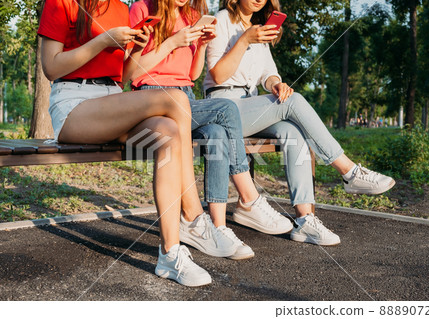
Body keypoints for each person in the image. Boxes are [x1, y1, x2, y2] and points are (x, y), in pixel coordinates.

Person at [38, 0, 216, 286]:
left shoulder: (121, 8)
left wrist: (135, 46)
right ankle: (193, 215)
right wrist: (103, 41)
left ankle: (170, 253)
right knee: (177, 99)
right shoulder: (61, 3)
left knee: (168, 131)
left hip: (112, 98)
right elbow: (51, 67)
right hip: (74, 104)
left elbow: (126, 73)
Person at [204, 0, 396, 246]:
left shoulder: (258, 27)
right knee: (293, 103)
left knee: (293, 131)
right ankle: (349, 172)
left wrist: (276, 84)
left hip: (251, 104)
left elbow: (267, 73)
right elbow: (217, 75)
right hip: (224, 105)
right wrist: (244, 41)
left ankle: (305, 220)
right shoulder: (221, 20)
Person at [130, 0, 293, 260]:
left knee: (216, 133)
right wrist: (172, 42)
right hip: (152, 96)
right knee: (226, 109)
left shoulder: (192, 15)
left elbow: (192, 76)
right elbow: (132, 70)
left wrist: (202, 44)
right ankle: (250, 197)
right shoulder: (142, 8)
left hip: (186, 97)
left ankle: (218, 227)